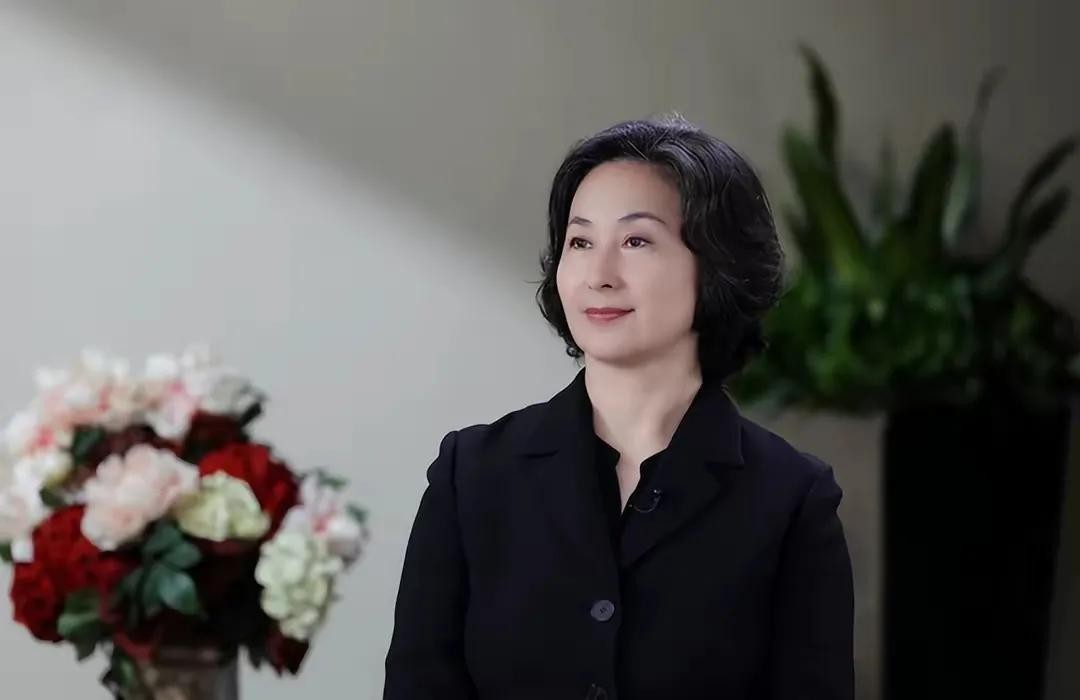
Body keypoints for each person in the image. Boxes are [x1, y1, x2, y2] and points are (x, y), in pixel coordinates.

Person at [384, 115, 855, 700]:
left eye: (636, 241)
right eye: (580, 242)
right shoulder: (471, 474)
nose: (599, 275)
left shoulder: (792, 500)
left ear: (716, 267)